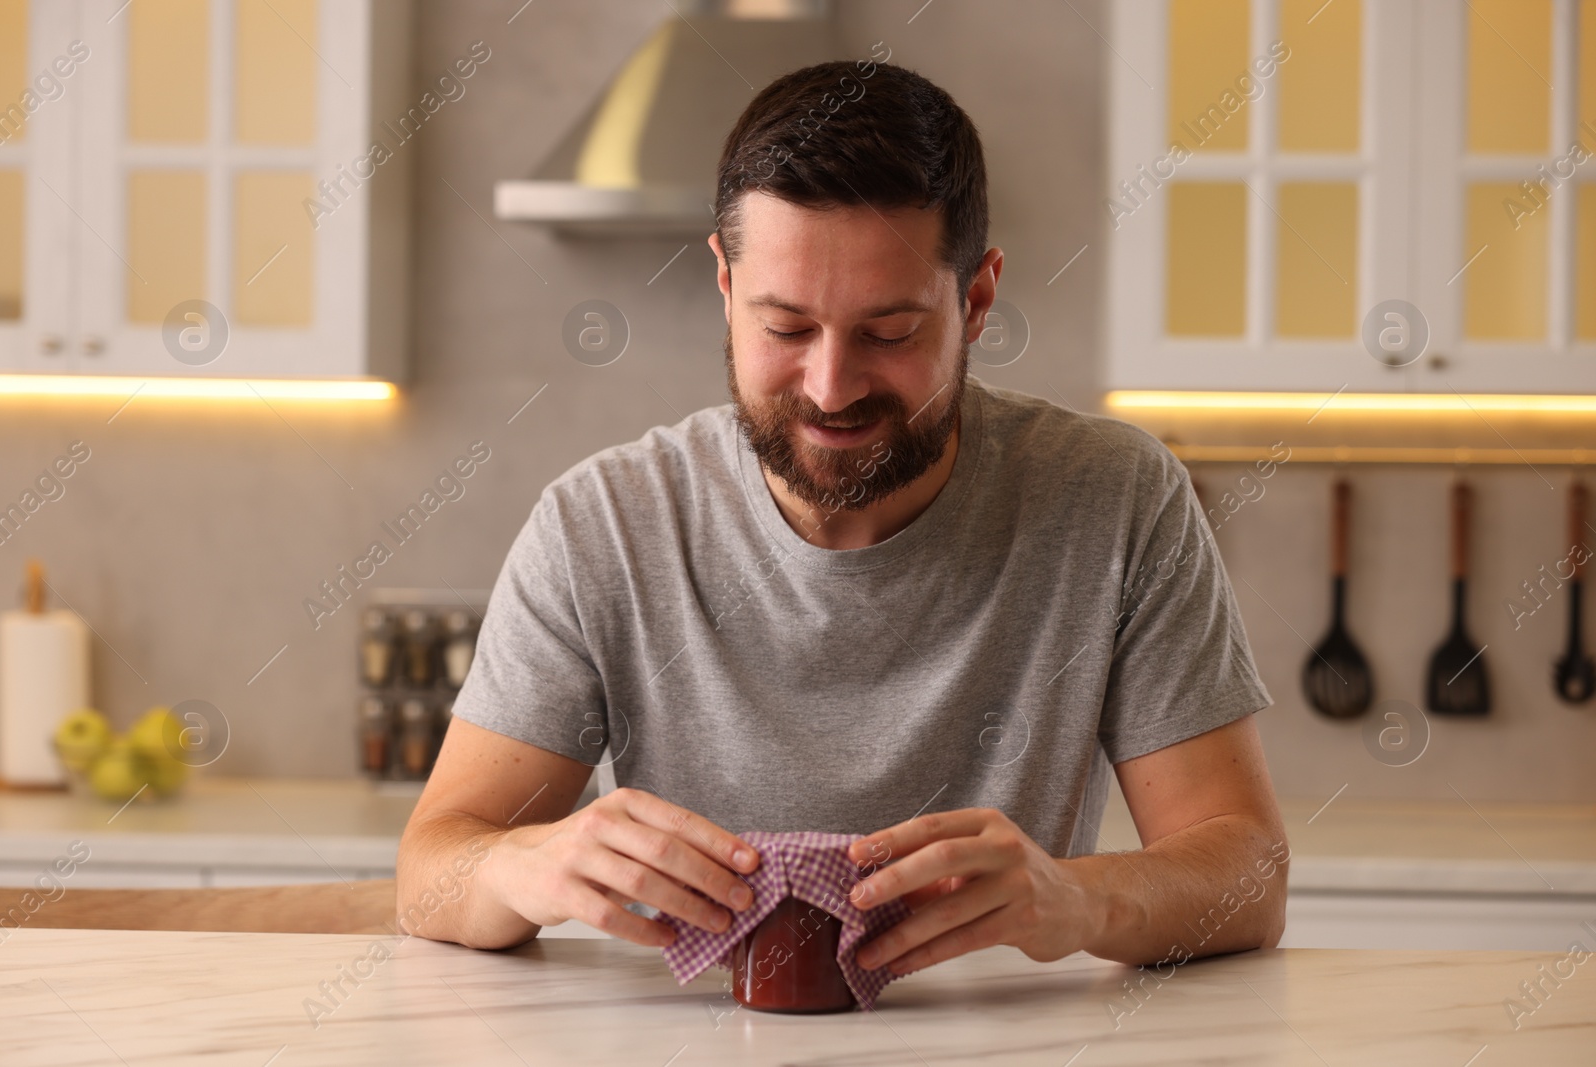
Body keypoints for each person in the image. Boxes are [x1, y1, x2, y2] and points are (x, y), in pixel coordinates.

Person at [398, 59, 1288, 978]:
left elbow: (1249, 875)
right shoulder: (603, 526)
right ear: (725, 285)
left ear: (976, 299)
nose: (831, 386)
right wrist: (518, 864)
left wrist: (1079, 894)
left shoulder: (1117, 500)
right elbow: (430, 868)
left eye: (890, 333)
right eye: (785, 328)